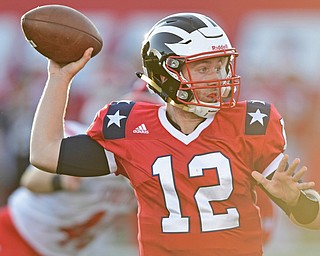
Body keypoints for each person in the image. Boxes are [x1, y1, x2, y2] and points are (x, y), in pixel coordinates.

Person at [29, 12, 320, 256]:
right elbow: (45, 153)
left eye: (220, 66)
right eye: (203, 68)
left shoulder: (248, 123)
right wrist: (59, 78)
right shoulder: (131, 127)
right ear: (166, 74)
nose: (217, 78)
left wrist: (297, 202)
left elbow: (313, 220)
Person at [0, 120, 137, 256]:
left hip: (63, 250)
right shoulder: (87, 144)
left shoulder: (150, 175)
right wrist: (60, 180)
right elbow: (30, 180)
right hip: (18, 232)